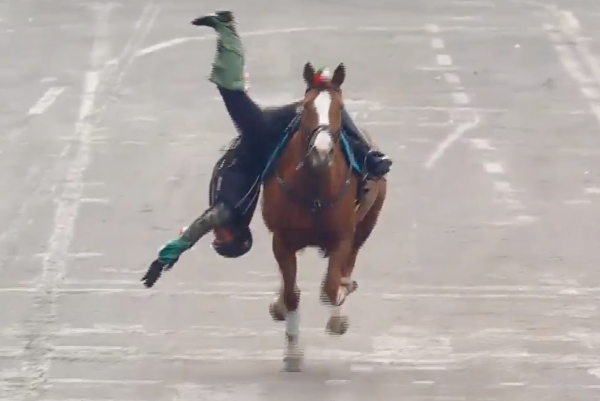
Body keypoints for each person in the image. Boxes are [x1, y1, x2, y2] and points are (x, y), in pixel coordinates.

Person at [141, 11, 392, 288]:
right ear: (236, 236)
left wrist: (171, 252)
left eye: (217, 241)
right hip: (260, 138)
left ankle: (227, 31)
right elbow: (199, 227)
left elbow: (197, 228)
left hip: (259, 139)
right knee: (317, 110)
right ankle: (367, 156)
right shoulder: (229, 212)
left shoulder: (226, 213)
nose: (216, 238)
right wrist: (170, 253)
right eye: (221, 242)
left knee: (304, 108)